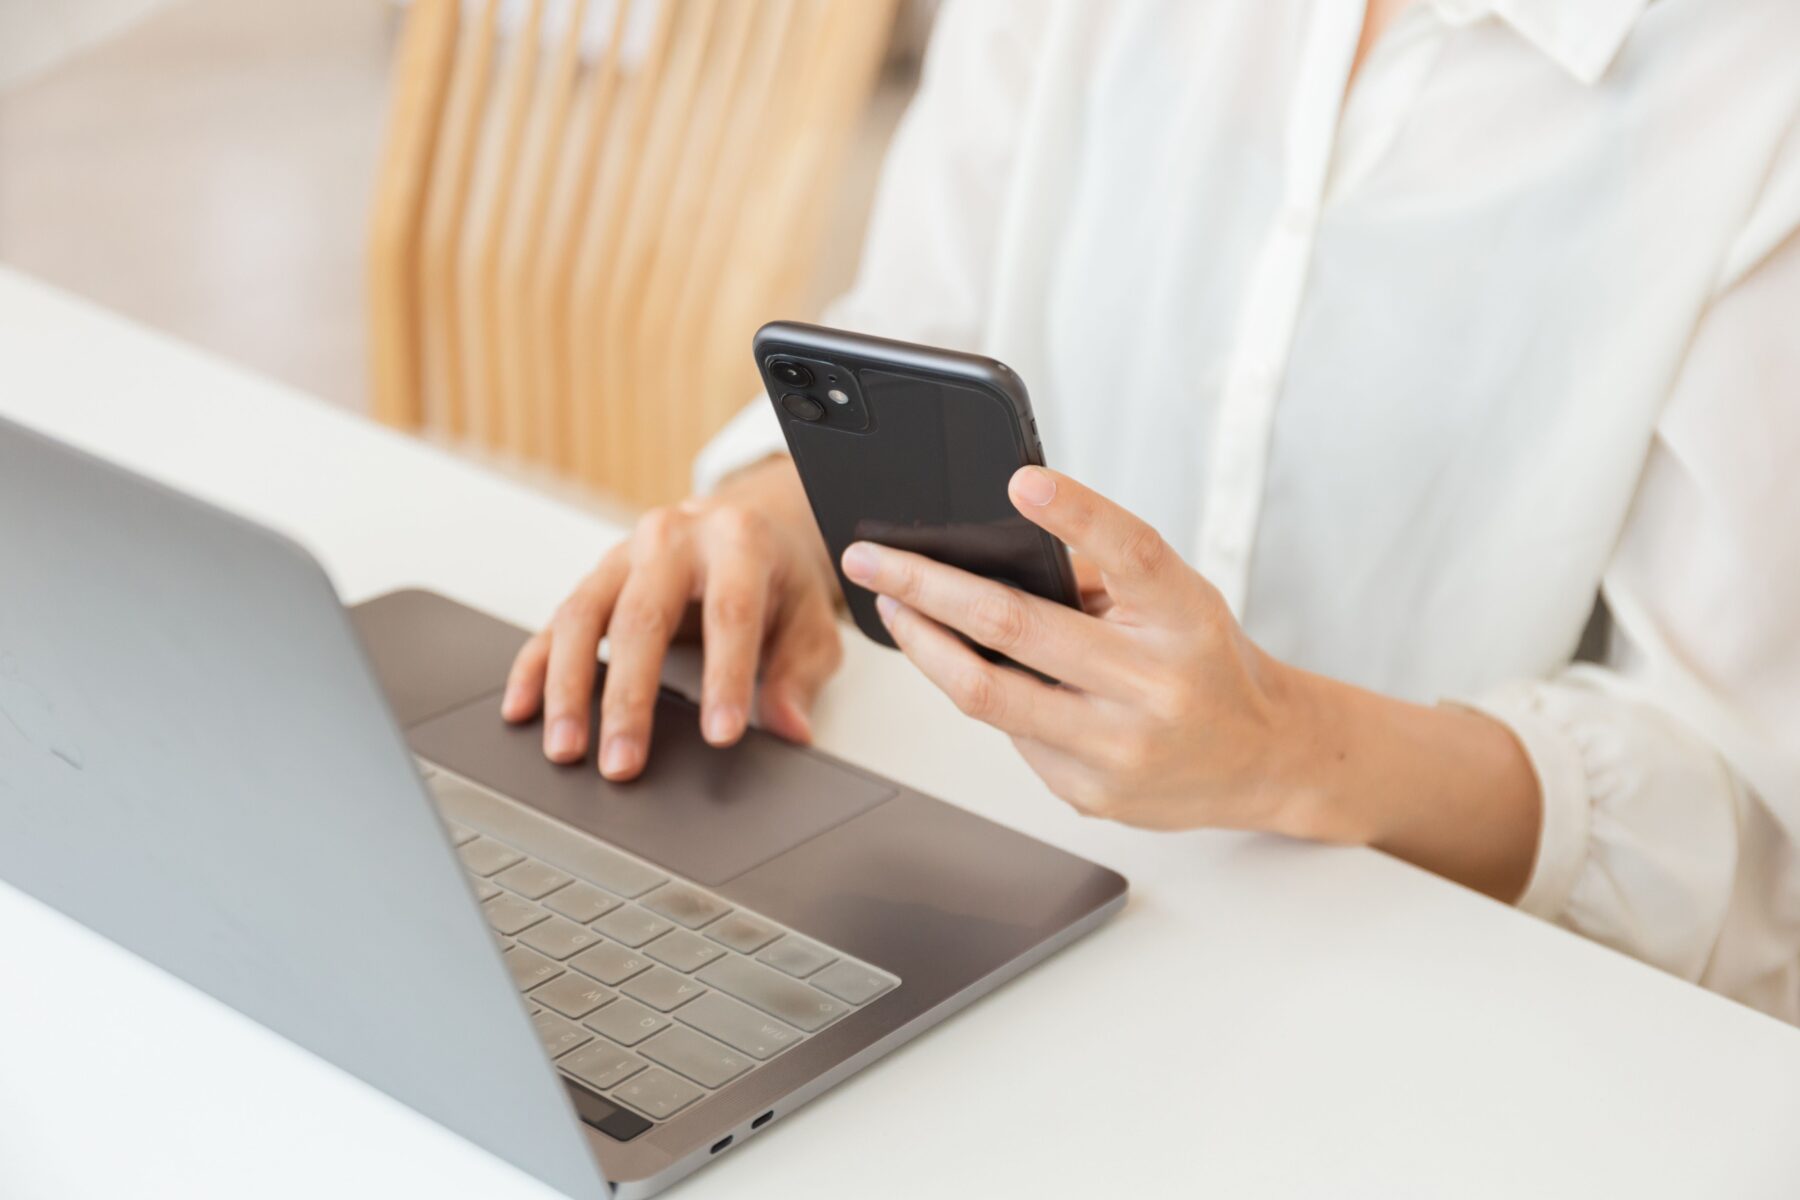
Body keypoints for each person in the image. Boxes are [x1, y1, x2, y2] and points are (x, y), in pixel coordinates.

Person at [501, 1, 1800, 1020]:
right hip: (993, 911)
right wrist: (777, 521)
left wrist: (1291, 743)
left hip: (1434, 1013)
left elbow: (1741, 827)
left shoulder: (1755, 85)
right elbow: (922, 328)